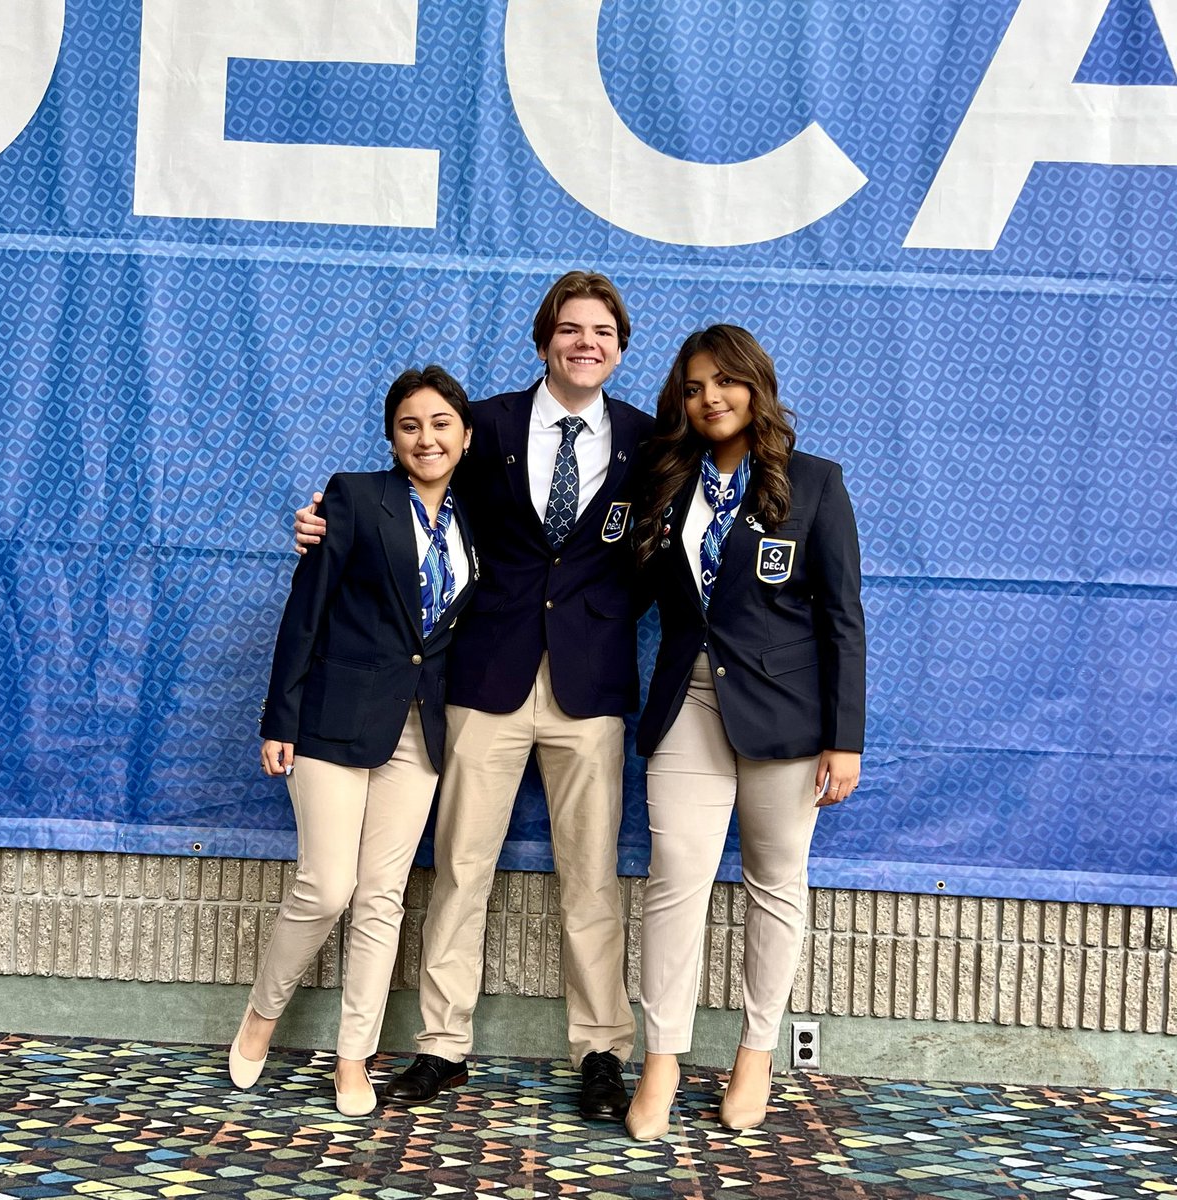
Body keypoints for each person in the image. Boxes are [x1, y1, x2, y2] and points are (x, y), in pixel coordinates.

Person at [294, 272, 654, 1120]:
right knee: (458, 868)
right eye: (570, 329)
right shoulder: (484, 423)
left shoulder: (649, 438)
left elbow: (661, 555)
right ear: (543, 342)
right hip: (484, 675)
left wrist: (601, 618)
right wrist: (324, 521)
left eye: (602, 331)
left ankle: (601, 1049)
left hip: (589, 685)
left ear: (619, 347)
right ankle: (442, 1046)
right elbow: (405, 499)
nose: (585, 343)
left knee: (592, 877)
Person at [623, 325, 865, 1140]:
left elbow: (842, 621)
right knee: (675, 879)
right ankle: (661, 1059)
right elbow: (619, 583)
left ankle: (756, 1052)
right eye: (693, 388)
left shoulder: (816, 484)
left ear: (757, 387)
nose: (709, 399)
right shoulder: (666, 479)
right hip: (687, 699)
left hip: (788, 720)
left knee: (775, 885)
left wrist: (845, 738)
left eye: (724, 382)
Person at [229, 366, 478, 1116]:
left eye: (440, 423)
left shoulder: (480, 517)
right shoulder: (354, 497)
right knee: (327, 886)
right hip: (334, 720)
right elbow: (306, 608)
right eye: (410, 425)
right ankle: (261, 1018)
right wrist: (281, 716)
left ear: (465, 436)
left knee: (381, 899)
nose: (426, 437)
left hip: (420, 729)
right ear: (392, 437)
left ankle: (353, 1056)